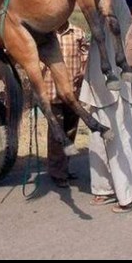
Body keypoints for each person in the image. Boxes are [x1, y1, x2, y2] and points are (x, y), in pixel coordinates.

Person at [79, 0, 132, 213]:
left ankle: (128, 195)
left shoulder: (118, 3)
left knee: (120, 141)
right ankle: (103, 189)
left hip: (114, 88)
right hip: (97, 86)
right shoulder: (102, 7)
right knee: (97, 142)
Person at [43, 21, 89, 188]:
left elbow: (85, 56)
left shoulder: (78, 33)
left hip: (72, 93)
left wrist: (83, 71)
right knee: (57, 136)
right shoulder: (45, 34)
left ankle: (64, 167)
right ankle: (57, 173)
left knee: (70, 132)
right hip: (51, 92)